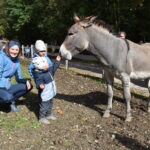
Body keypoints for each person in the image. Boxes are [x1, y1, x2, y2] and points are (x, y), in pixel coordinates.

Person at [28, 40, 61, 124]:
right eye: (41, 51)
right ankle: (41, 117)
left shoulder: (47, 67)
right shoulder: (38, 70)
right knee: (44, 103)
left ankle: (49, 114)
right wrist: (40, 85)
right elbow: (38, 79)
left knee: (50, 102)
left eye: (44, 51)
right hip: (45, 88)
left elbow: (53, 68)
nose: (46, 66)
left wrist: (57, 61)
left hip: (50, 88)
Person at [0, 40, 32, 112]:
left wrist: (27, 80)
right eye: (12, 49)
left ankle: (10, 101)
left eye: (16, 50)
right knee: (7, 97)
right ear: (8, 49)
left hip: (7, 86)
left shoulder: (17, 61)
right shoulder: (1, 57)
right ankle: (5, 102)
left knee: (28, 86)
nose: (14, 52)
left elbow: (19, 78)